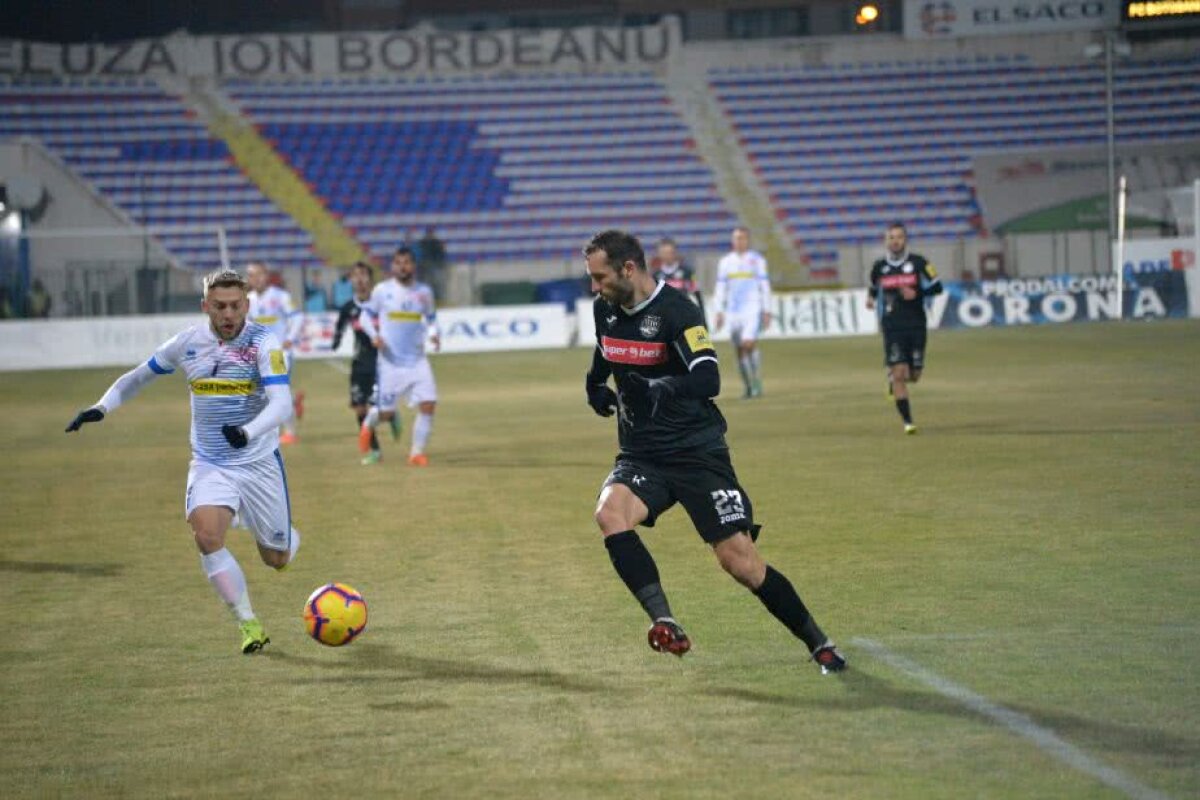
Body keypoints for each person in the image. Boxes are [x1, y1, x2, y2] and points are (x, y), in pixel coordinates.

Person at [583, 229, 845, 674]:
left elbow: (709, 380)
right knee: (610, 513)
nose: (595, 287)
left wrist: (659, 387)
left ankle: (818, 642)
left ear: (629, 269)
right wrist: (595, 387)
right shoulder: (604, 309)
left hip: (695, 452)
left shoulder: (679, 311)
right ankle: (664, 620)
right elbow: (605, 353)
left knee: (739, 562)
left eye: (600, 277)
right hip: (642, 454)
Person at [64, 268, 300, 654]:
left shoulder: (263, 342)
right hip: (210, 462)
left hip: (257, 462)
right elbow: (137, 377)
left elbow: (282, 403)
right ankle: (249, 625)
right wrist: (101, 407)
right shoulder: (187, 343)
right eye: (220, 306)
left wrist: (247, 432)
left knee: (276, 558)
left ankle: (272, 527)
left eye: (235, 306)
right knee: (206, 536)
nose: (228, 315)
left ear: (247, 305)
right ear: (205, 305)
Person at [357, 246, 440, 466]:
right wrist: (374, 335)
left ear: (413, 266)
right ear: (393, 266)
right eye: (398, 263)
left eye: (406, 263)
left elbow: (431, 319)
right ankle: (368, 424)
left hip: (417, 360)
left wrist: (433, 335)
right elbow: (365, 316)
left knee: (429, 404)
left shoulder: (424, 292)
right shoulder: (382, 291)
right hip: (390, 363)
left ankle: (416, 453)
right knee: (385, 414)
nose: (402, 267)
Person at [865, 222, 943, 435]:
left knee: (914, 375)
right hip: (892, 326)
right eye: (891, 237)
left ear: (905, 239)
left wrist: (918, 294)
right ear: (886, 241)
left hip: (916, 324)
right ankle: (908, 422)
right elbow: (873, 287)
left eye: (899, 237)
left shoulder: (919, 263)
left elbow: (938, 286)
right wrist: (870, 299)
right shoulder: (879, 266)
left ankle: (893, 379)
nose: (895, 241)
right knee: (900, 372)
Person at [331, 261, 391, 464]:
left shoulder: (382, 304)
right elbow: (340, 326)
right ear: (351, 280)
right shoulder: (349, 307)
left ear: (370, 279)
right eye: (355, 275)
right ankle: (375, 451)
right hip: (359, 364)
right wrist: (336, 340)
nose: (359, 279)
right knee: (360, 409)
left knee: (377, 409)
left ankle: (391, 415)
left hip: (382, 363)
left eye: (363, 274)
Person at [246, 262, 304, 444]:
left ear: (266, 275)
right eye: (251, 275)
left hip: (280, 353)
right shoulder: (247, 300)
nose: (256, 279)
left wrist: (291, 338)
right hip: (259, 355)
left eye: (259, 274)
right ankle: (295, 401)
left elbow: (297, 317)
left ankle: (290, 432)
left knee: (277, 392)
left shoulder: (281, 296)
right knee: (264, 393)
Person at [712, 226, 771, 398]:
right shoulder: (725, 262)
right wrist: (719, 311)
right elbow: (720, 288)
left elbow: (764, 286)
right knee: (739, 350)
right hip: (732, 311)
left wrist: (766, 310)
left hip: (752, 308)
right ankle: (748, 386)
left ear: (748, 240)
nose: (740, 241)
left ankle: (756, 382)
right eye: (737, 238)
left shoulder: (757, 260)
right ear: (732, 241)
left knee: (748, 344)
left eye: (743, 238)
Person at [652, 237, 704, 320]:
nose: (667, 255)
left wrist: (703, 321)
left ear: (675, 252)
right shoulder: (655, 275)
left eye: (669, 252)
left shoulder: (687, 272)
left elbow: (697, 297)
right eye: (663, 252)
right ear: (659, 254)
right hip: (664, 320)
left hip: (684, 318)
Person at [418, 227, 448, 304]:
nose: (430, 235)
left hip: (434, 265)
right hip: (425, 266)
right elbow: (420, 253)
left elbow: (440, 254)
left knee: (436, 282)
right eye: (429, 234)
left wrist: (439, 262)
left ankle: (438, 299)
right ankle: (424, 299)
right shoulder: (423, 242)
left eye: (431, 234)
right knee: (426, 283)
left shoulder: (436, 242)